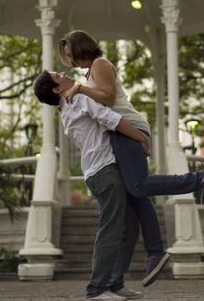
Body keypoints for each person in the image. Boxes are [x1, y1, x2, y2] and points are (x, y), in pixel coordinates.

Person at [58, 30, 204, 287]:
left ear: (82, 49)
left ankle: (198, 179)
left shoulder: (99, 64)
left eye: (71, 55)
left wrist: (80, 89)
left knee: (138, 185)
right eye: (67, 57)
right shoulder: (88, 73)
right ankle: (155, 253)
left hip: (127, 126)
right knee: (137, 195)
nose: (69, 61)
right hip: (119, 131)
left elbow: (109, 98)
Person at [34, 70, 145, 301]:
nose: (64, 72)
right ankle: (96, 289)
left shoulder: (66, 107)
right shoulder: (78, 99)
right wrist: (142, 138)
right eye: (58, 74)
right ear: (57, 88)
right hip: (105, 171)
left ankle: (115, 283)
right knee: (111, 230)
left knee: (130, 227)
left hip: (100, 170)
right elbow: (112, 120)